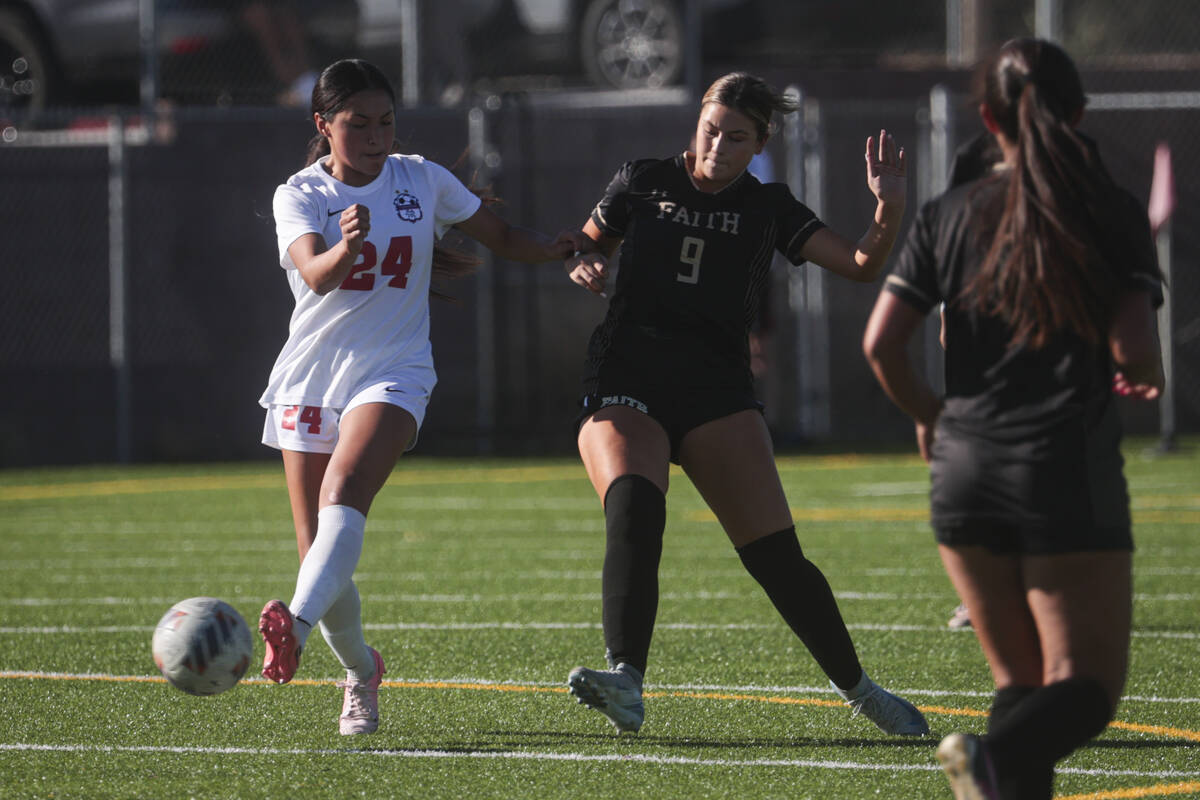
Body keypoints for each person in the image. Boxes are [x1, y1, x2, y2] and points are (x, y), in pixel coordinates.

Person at [562, 71, 929, 737]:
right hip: (628, 370)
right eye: (710, 130)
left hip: (715, 385)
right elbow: (588, 240)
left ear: (759, 142)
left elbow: (859, 263)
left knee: (776, 557)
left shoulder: (770, 206)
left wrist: (889, 208)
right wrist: (584, 261)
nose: (717, 146)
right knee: (635, 504)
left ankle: (863, 691)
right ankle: (627, 679)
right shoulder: (642, 179)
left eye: (736, 138)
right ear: (696, 121)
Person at [862, 39, 1163, 799]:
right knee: (1087, 689)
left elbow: (881, 344)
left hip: (962, 469)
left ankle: (993, 766)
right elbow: (1134, 352)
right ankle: (989, 761)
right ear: (1081, 115)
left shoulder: (945, 212)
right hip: (1063, 462)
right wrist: (1141, 376)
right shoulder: (1106, 209)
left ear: (988, 117)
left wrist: (932, 414)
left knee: (1020, 685)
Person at [257, 58, 583, 735]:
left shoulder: (421, 179)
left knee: (344, 493)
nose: (376, 137)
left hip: (396, 369)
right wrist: (346, 246)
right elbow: (316, 275)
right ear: (323, 125)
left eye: (386, 122)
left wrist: (557, 249)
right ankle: (361, 673)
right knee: (319, 550)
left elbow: (502, 238)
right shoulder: (299, 195)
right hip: (312, 375)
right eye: (357, 125)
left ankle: (295, 624)